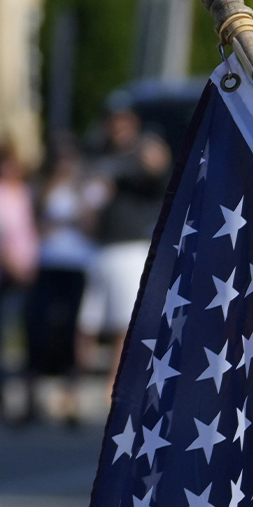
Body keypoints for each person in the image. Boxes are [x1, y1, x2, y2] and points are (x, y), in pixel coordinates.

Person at [79, 105, 170, 383]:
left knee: (124, 324)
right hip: (101, 248)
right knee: (87, 324)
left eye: (123, 121)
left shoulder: (145, 150)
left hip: (132, 247)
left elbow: (158, 164)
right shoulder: (99, 155)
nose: (117, 127)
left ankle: (112, 388)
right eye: (113, 121)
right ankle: (77, 386)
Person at [25, 135, 102, 426]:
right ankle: (31, 396)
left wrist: (76, 200)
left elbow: (89, 224)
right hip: (47, 264)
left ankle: (70, 398)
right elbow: (39, 227)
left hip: (77, 265)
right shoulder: (42, 187)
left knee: (73, 330)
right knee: (39, 328)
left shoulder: (86, 189)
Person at [0, 141, 40, 425]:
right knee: (1, 338)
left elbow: (29, 230)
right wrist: (11, 265)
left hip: (28, 269)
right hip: (2, 274)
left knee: (30, 335)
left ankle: (30, 398)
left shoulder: (23, 192)